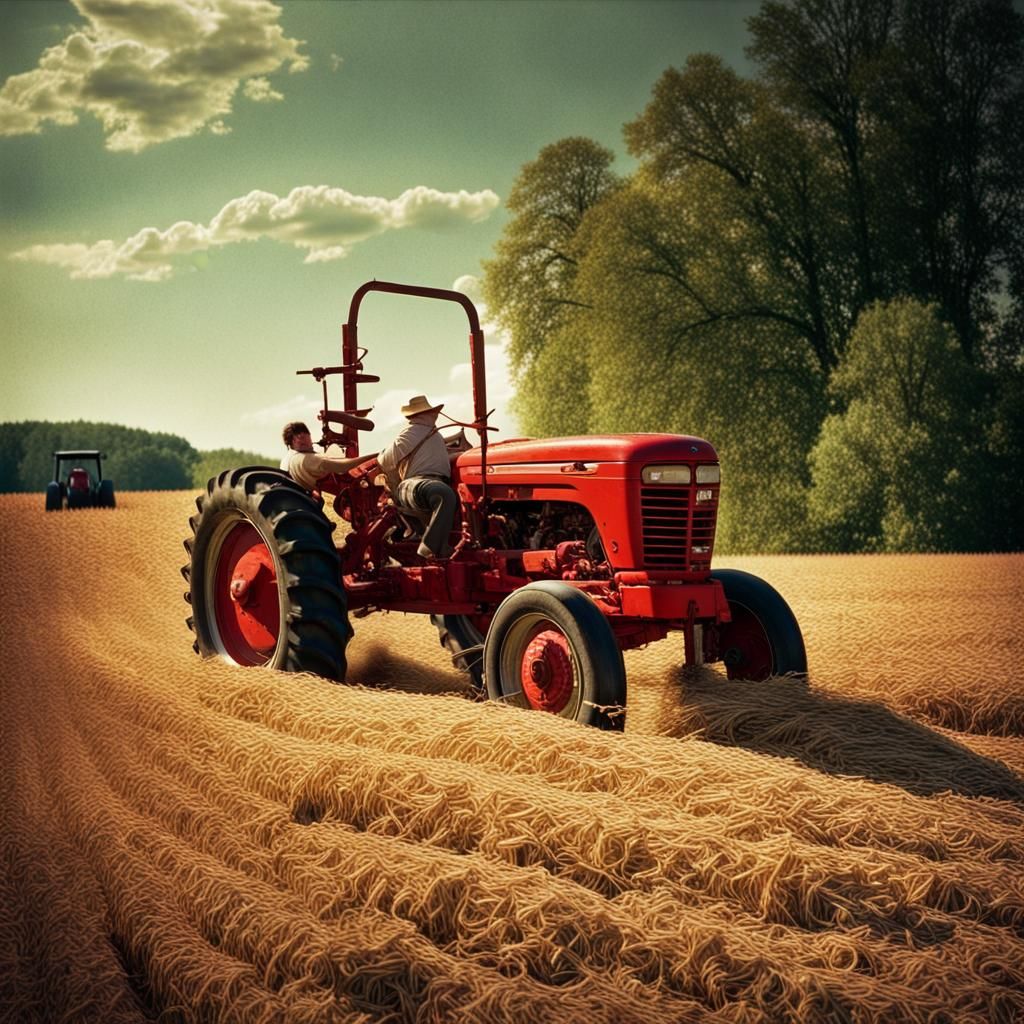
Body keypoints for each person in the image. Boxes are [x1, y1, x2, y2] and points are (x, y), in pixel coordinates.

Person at [378, 395, 458, 558]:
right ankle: (428, 547)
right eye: (431, 412)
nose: (435, 415)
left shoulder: (434, 434)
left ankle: (445, 547)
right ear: (420, 415)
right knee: (444, 494)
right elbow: (384, 461)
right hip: (414, 484)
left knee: (450, 495)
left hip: (431, 483)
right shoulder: (411, 432)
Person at [280, 421, 376, 490]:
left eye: (304, 436)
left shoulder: (286, 460)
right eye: (299, 437)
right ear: (292, 443)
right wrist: (377, 455)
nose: (300, 440)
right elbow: (343, 466)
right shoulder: (307, 459)